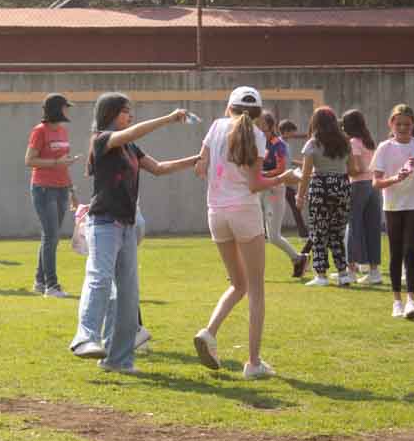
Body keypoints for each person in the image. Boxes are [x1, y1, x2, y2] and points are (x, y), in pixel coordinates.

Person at [69, 93, 198, 374]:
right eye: (126, 111)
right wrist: (167, 118)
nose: (131, 115)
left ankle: (118, 360)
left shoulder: (131, 148)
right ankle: (84, 337)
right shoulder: (101, 139)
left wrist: (199, 159)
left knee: (128, 296)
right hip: (103, 223)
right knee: (99, 279)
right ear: (111, 113)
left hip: (127, 225)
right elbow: (132, 132)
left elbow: (160, 169)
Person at [192, 86, 296, 379]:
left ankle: (209, 332)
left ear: (229, 108)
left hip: (216, 213)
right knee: (256, 291)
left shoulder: (215, 127)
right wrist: (284, 178)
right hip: (245, 213)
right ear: (258, 113)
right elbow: (254, 184)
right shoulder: (258, 136)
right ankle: (253, 362)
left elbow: (200, 167)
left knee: (238, 284)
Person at [372, 104, 414, 319]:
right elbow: (376, 182)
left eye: (407, 124)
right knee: (396, 252)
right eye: (398, 124)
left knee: (411, 250)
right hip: (393, 205)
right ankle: (396, 301)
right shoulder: (384, 147)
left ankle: (411, 300)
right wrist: (395, 178)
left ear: (413, 125)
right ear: (391, 124)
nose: (402, 128)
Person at [295, 107, 360, 286]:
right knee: (337, 232)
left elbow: (306, 173)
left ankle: (321, 274)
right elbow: (353, 169)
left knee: (318, 231)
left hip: (320, 187)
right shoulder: (345, 142)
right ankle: (343, 273)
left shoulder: (312, 144)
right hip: (342, 187)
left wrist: (300, 196)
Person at [26, 93, 81, 297]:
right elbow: (29, 160)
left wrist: (72, 191)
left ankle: (40, 282)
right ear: (57, 109)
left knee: (50, 237)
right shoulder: (39, 131)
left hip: (60, 188)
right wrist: (55, 164)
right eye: (66, 107)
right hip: (43, 189)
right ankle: (52, 286)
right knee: (51, 236)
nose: (68, 110)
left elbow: (63, 163)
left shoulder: (63, 131)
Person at [258, 111, 308, 277]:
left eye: (263, 127)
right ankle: (246, 269)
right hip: (258, 189)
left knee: (273, 236)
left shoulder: (278, 144)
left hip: (274, 190)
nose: (259, 130)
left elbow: (281, 169)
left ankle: (298, 258)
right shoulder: (256, 142)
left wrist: (262, 174)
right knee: (252, 232)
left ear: (272, 128)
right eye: (257, 126)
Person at [342, 109, 383, 284]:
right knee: (373, 228)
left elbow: (357, 169)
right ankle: (374, 272)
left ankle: (350, 270)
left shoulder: (353, 142)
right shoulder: (369, 142)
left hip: (358, 185)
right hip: (374, 186)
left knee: (354, 227)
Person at [279, 119, 310, 240]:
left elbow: (289, 160)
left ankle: (303, 232)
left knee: (294, 206)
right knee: (294, 206)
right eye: (292, 132)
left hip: (287, 179)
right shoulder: (280, 145)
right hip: (282, 181)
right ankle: (303, 233)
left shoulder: (286, 144)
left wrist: (303, 164)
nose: (293, 134)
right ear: (285, 132)